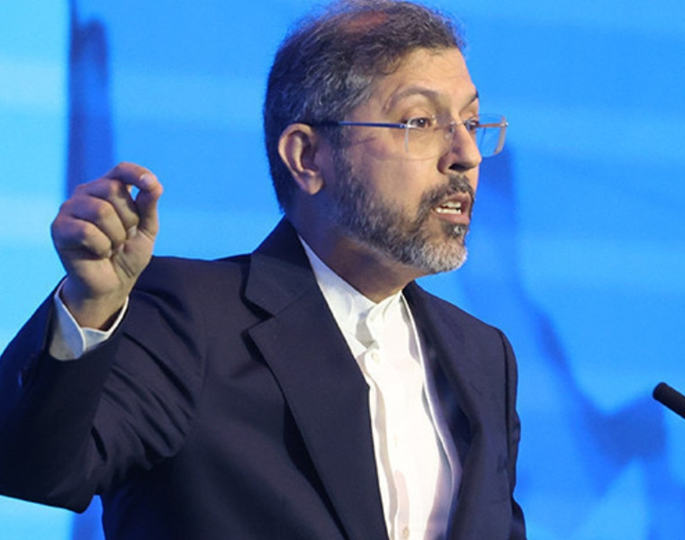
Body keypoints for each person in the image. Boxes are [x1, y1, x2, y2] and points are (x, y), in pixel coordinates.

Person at [0, 1, 525, 539]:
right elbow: (35, 469)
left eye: (471, 122)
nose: (466, 154)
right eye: (420, 121)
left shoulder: (483, 356)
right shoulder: (190, 320)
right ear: (307, 157)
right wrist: (90, 306)